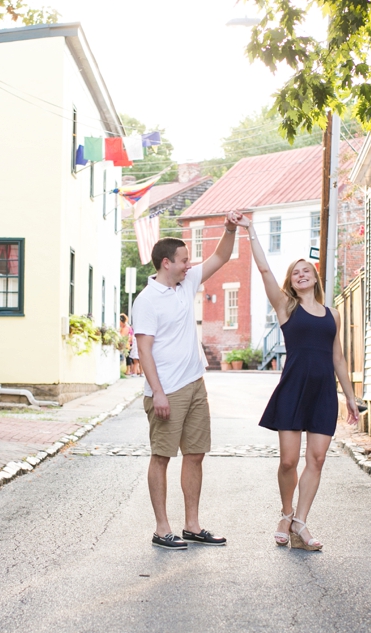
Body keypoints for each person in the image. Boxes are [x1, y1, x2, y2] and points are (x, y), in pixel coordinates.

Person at [234, 214, 360, 551]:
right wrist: (250, 230)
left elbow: (338, 358)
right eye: (295, 271)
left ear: (315, 277)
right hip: (292, 390)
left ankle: (301, 524)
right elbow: (263, 270)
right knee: (288, 461)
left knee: (316, 459)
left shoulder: (332, 314)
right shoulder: (286, 306)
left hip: (323, 394)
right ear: (291, 281)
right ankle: (286, 514)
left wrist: (350, 398)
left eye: (306, 270)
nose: (300, 274)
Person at [132, 212, 243, 550]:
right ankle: (162, 527)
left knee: (195, 455)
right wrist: (159, 393)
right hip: (167, 391)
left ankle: (192, 525)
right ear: (167, 263)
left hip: (195, 385)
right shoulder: (147, 300)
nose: (189, 264)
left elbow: (221, 256)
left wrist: (229, 228)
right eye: (183, 260)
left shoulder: (188, 283)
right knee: (162, 457)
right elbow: (144, 351)